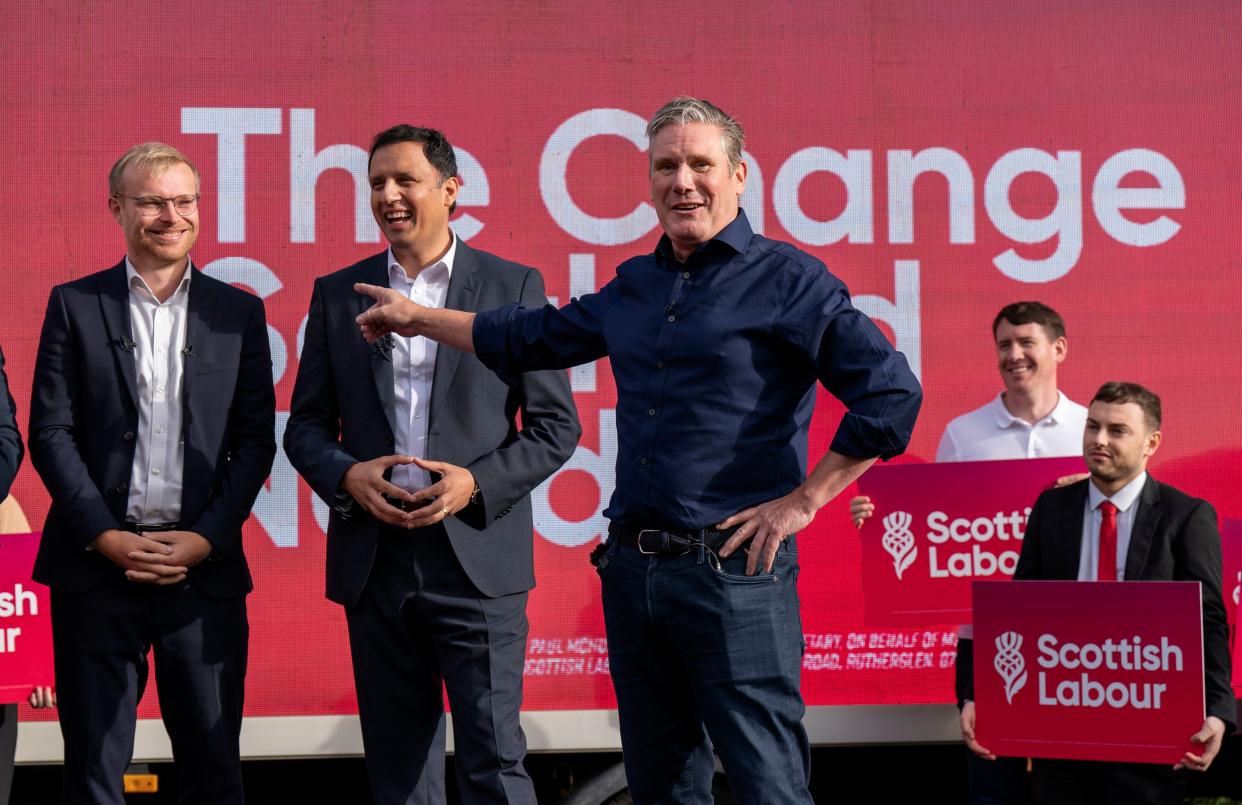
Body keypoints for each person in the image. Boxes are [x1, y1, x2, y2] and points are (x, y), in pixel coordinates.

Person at [352, 98, 922, 803]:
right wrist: (418, 318)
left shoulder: (789, 280)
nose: (683, 181)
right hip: (635, 574)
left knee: (767, 785)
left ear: (739, 175)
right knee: (661, 788)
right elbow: (531, 337)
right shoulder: (638, 284)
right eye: (666, 166)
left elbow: (892, 396)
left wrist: (804, 502)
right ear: (650, 181)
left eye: (700, 165)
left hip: (736, 575)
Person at [284, 124, 580, 805]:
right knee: (398, 775)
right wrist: (346, 474)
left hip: (478, 563)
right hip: (376, 561)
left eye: (405, 180)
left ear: (451, 190)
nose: (388, 195)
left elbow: (557, 425)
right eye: (376, 183)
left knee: (494, 765)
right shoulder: (338, 294)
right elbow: (304, 426)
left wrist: (476, 483)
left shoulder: (510, 285)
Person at [28, 142, 276, 804]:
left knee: (215, 770)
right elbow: (51, 432)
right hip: (96, 571)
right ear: (117, 208)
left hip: (203, 574)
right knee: (92, 773)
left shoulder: (238, 312)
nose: (170, 214)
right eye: (152, 201)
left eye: (184, 200)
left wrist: (205, 538)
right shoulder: (74, 305)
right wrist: (104, 535)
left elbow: (254, 442)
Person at [851, 300, 1088, 804]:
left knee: (1074, 784)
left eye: (1027, 342)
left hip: (1081, 642)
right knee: (994, 786)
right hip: (986, 640)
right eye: (1004, 344)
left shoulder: (1095, 433)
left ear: (1059, 349)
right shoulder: (965, 433)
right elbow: (935, 530)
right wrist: (878, 523)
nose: (1015, 355)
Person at [959, 382, 1234, 805]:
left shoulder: (1186, 516)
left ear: (1151, 443)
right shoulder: (1052, 508)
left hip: (1150, 735)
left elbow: (1209, 621)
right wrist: (982, 696)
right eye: (1092, 426)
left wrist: (1217, 711)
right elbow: (1017, 611)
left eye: (1117, 430)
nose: (1099, 440)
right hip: (1064, 732)